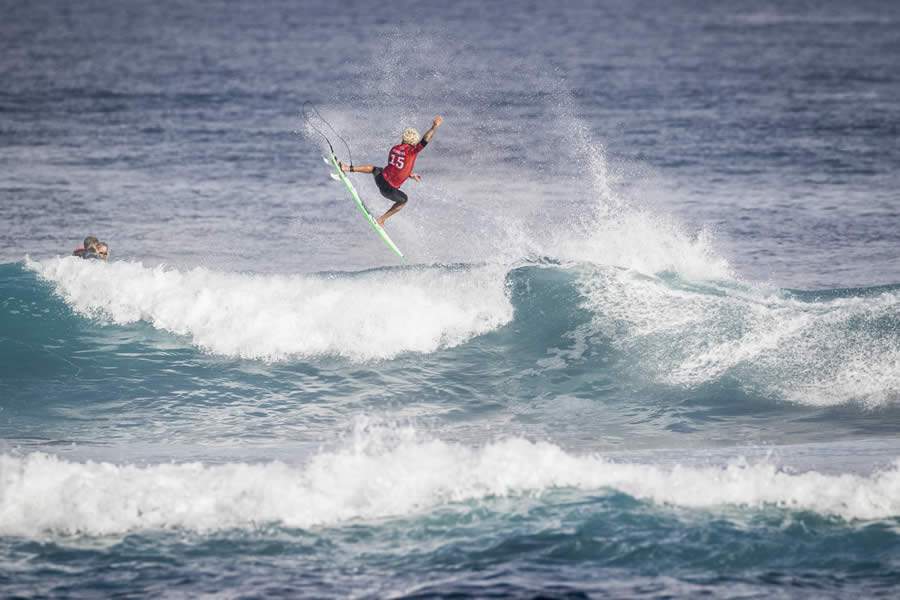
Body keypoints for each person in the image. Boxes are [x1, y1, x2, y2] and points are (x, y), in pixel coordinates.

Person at [340, 116, 443, 227]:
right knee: (404, 200)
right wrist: (434, 127)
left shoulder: (394, 148)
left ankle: (347, 168)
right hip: (389, 190)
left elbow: (394, 167)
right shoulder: (412, 151)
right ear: (414, 142)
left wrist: (409, 175)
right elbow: (426, 139)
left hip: (380, 179)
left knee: (374, 169)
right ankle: (381, 219)